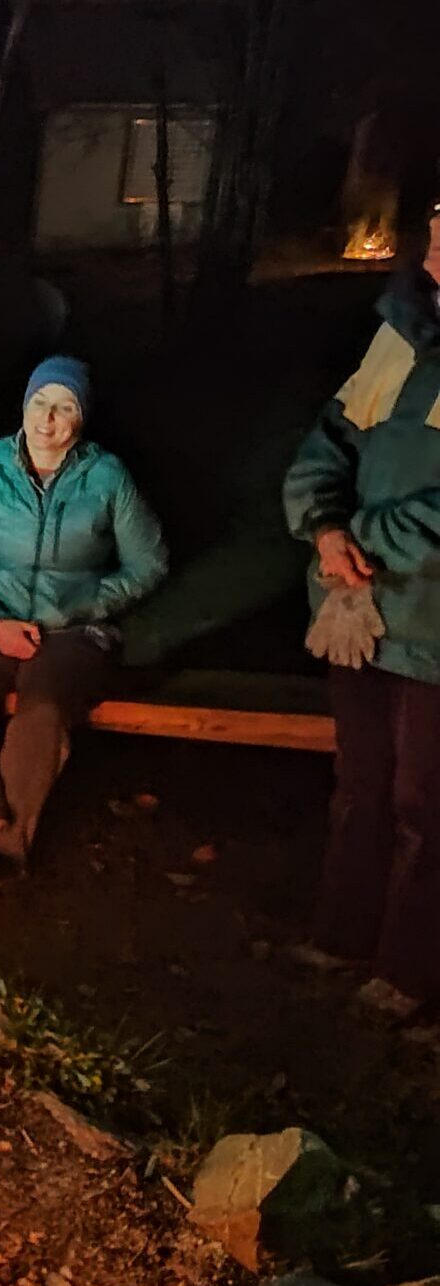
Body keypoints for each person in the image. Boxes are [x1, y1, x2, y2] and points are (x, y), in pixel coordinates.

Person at [0, 356, 167, 911]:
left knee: (44, 708)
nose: (48, 419)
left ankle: (3, 852)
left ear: (80, 419)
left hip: (73, 628)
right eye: (39, 403)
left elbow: (147, 564)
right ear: (24, 406)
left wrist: (82, 604)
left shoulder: (107, 477)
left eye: (63, 407)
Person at [282, 200, 440, 1022]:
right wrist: (324, 524)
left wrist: (370, 537)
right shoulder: (402, 337)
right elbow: (331, 439)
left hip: (430, 620)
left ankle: (409, 971)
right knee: (362, 783)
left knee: (426, 803)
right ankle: (342, 936)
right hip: (362, 605)